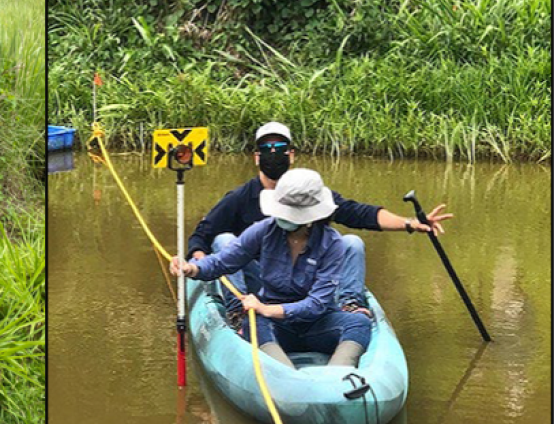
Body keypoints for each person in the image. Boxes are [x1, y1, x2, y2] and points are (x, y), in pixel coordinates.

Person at [187, 121, 453, 319]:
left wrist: (410, 223)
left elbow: (359, 213)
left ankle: (350, 304)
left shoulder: (309, 193)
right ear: (256, 157)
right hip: (262, 280)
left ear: (291, 154)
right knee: (223, 240)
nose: (273, 153)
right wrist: (199, 261)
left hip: (307, 275)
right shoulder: (240, 198)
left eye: (279, 147)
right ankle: (237, 312)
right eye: (266, 148)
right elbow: (203, 234)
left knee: (352, 242)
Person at [171, 169, 369, 367]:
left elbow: (317, 304)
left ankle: (337, 377)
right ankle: (284, 375)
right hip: (276, 326)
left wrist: (266, 309)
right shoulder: (265, 230)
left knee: (359, 323)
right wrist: (191, 268)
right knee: (254, 323)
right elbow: (223, 261)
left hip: (318, 323)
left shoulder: (332, 242)